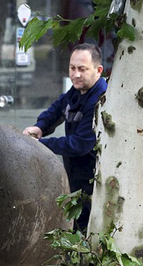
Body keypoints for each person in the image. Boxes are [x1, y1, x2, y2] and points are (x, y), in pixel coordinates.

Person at [22, 43, 107, 231]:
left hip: (95, 182)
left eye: (82, 69)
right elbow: (57, 109)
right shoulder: (77, 91)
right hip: (75, 178)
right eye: (72, 68)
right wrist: (39, 127)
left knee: (87, 231)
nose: (76, 74)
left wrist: (39, 144)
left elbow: (80, 144)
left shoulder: (101, 98)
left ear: (98, 70)